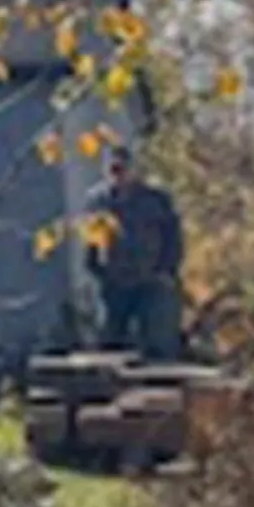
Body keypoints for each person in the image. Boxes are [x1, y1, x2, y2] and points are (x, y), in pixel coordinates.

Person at [92, 142, 187, 362]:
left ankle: (159, 383)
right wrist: (97, 270)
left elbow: (173, 238)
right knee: (111, 339)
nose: (119, 174)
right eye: (114, 169)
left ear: (134, 170)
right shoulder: (99, 202)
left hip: (151, 279)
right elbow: (92, 239)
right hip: (116, 281)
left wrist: (167, 270)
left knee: (156, 339)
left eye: (123, 168)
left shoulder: (156, 200)